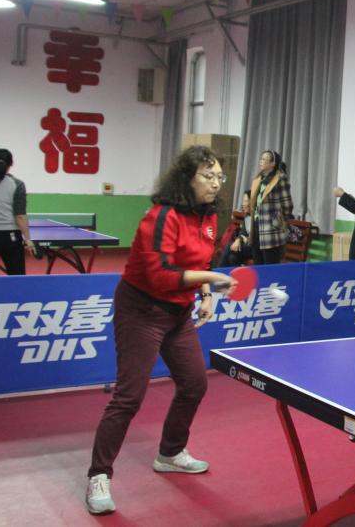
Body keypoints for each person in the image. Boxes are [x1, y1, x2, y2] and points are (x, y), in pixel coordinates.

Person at [85, 145, 236, 515]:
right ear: (187, 178)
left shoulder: (208, 216)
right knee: (129, 396)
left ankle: (170, 453)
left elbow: (202, 261)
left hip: (178, 312)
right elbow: (160, 274)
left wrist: (206, 295)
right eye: (208, 176)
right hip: (141, 310)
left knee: (194, 383)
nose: (216, 183)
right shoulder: (161, 216)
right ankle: (99, 475)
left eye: (219, 176)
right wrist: (213, 280)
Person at [0, 148, 35, 275]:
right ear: (11, 164)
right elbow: (20, 216)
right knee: (16, 277)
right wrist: (28, 239)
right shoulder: (17, 184)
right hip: (10, 237)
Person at [247, 149, 293, 265]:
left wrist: (278, 219)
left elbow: (287, 204)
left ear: (273, 163)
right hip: (256, 225)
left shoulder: (280, 178)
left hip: (271, 228)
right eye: (261, 159)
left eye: (264, 159)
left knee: (270, 264)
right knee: (258, 263)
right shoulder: (259, 178)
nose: (261, 161)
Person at [217, 191, 252, 267]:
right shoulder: (247, 217)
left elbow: (255, 238)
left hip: (255, 248)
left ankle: (218, 271)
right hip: (247, 245)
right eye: (243, 201)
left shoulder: (257, 217)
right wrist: (238, 240)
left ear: (252, 202)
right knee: (232, 257)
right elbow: (242, 233)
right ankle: (235, 275)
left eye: (245, 201)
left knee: (228, 247)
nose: (243, 204)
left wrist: (247, 239)